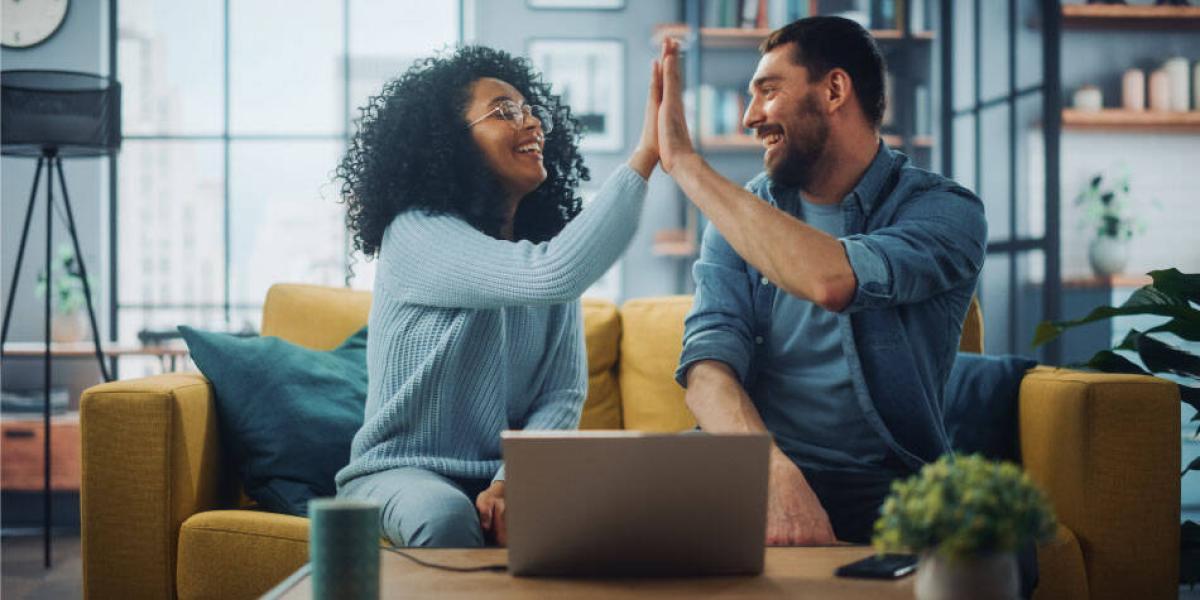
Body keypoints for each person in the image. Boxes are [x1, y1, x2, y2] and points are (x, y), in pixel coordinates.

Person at [658, 17, 987, 547]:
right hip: (754, 461)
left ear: (834, 90)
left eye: (768, 91)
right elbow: (707, 369)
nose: (749, 117)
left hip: (886, 482)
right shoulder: (742, 216)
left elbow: (832, 280)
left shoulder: (944, 211)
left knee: (1002, 555)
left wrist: (686, 165)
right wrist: (772, 473)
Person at [334, 45, 662, 548]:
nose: (532, 124)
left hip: (504, 475)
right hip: (399, 472)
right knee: (444, 515)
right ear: (449, 141)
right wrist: (645, 158)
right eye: (506, 111)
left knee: (646, 501)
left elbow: (561, 395)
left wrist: (513, 481)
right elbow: (550, 274)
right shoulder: (416, 234)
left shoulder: (541, 253)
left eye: (532, 111)